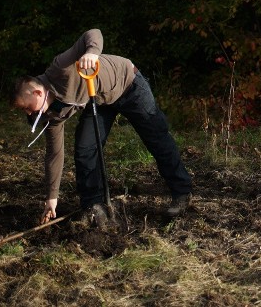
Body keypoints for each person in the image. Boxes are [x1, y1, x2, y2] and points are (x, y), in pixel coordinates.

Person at [11, 29, 193, 224]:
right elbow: (54, 154)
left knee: (157, 137)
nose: (29, 114)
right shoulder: (52, 115)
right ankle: (93, 206)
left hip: (129, 85)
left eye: (27, 108)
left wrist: (91, 52)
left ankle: (182, 192)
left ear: (37, 93)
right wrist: (52, 198)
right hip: (98, 101)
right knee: (85, 149)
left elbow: (93, 33)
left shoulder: (60, 67)